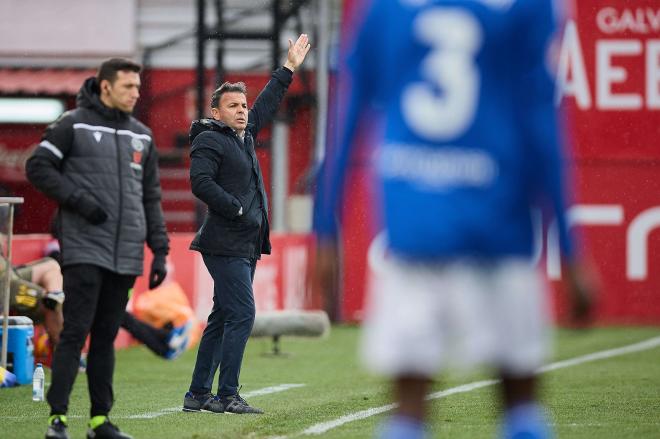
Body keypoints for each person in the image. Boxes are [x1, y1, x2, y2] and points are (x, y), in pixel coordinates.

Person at [311, 1, 596, 439]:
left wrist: (325, 229)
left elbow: (349, 117)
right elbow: (540, 120)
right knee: (521, 403)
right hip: (499, 222)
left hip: (416, 225)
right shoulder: (527, 7)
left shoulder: (383, 9)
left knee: (407, 410)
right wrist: (570, 246)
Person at [26, 57, 169, 439]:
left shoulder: (143, 135)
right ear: (106, 87)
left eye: (138, 87)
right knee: (75, 333)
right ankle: (57, 420)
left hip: (125, 254)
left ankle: (99, 421)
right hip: (84, 248)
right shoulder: (73, 124)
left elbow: (151, 197)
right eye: (128, 87)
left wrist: (161, 250)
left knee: (105, 337)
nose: (135, 94)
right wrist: (80, 202)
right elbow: (37, 167)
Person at [182, 34, 310, 415]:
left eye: (242, 105)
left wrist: (287, 68)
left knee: (223, 316)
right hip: (224, 241)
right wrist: (237, 210)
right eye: (232, 106)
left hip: (245, 243)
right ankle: (227, 395)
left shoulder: (244, 135)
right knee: (242, 314)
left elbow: (268, 103)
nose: (241, 110)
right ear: (216, 112)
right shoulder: (209, 139)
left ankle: (198, 394)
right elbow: (200, 183)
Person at [0, 253, 190, 362]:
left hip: (66, 286)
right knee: (113, 313)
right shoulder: (72, 229)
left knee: (115, 313)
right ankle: (164, 342)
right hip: (69, 290)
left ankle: (164, 342)